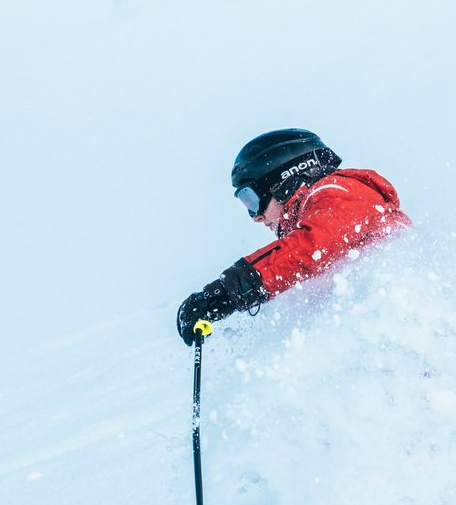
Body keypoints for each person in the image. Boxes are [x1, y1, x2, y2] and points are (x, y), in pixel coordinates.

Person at [176, 129, 411, 345]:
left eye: (252, 199)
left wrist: (227, 292)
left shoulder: (339, 192)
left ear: (284, 180)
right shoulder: (321, 211)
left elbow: (310, 247)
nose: (254, 217)